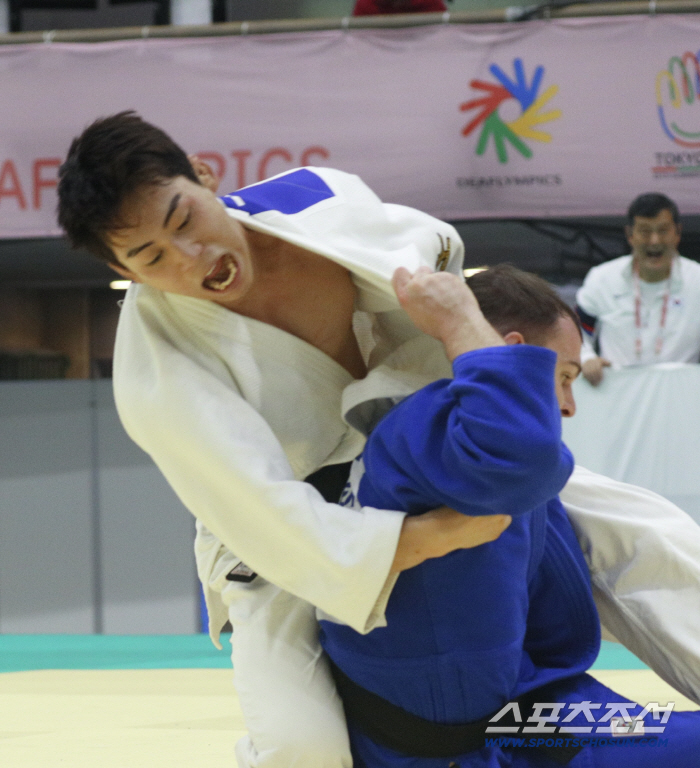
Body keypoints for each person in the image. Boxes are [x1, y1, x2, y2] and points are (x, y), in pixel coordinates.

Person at [56, 113, 700, 768]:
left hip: (413, 445)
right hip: (287, 531)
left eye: (185, 219)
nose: (189, 257)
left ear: (204, 175)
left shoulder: (315, 199)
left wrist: (471, 427)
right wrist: (423, 539)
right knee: (301, 746)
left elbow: (437, 275)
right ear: (122, 269)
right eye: (152, 258)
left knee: (649, 537)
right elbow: (257, 509)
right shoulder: (156, 366)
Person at [320, 264, 700, 767]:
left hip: (529, 713)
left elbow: (551, 619)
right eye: (564, 377)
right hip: (446, 744)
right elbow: (521, 455)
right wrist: (460, 323)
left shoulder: (500, 469)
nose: (569, 405)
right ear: (512, 353)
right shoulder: (426, 428)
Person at [576, 193, 700, 386]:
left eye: (663, 231)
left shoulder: (697, 280)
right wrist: (586, 357)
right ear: (630, 234)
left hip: (680, 393)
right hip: (617, 392)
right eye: (645, 231)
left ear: (678, 232)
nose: (654, 241)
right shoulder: (602, 279)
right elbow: (576, 331)